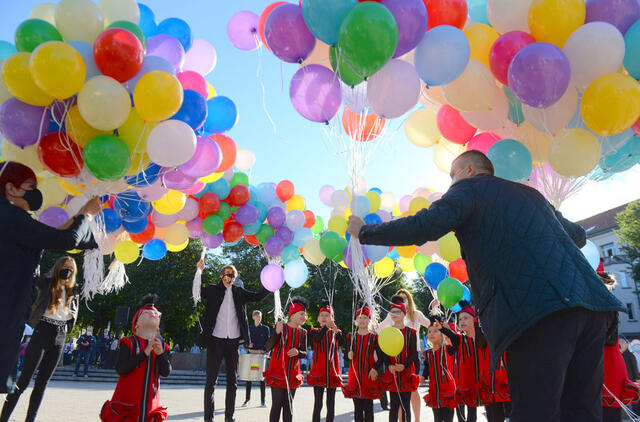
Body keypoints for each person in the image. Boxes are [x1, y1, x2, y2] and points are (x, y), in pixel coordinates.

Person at [347, 150, 624, 421]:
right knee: (582, 409)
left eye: (453, 175)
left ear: (469, 170)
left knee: (536, 410)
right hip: (591, 306)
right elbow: (577, 235)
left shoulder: (468, 189)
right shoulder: (531, 195)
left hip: (536, 311)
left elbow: (425, 225)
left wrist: (366, 232)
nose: (451, 182)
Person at [0, 161, 99, 393]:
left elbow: (49, 236)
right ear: (11, 188)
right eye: (30, 186)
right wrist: (87, 215)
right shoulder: (11, 217)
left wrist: (78, 217)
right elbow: (64, 240)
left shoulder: (10, 218)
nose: (35, 192)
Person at [1, 256, 81, 422]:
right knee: (24, 380)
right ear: (58, 267)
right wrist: (36, 254)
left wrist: (112, 265)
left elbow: (96, 284)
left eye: (71, 268)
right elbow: (34, 276)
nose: (68, 270)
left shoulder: (74, 290)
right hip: (43, 329)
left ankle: (30, 419)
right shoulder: (47, 283)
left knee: (42, 383)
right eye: (65, 267)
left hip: (61, 334)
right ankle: (4, 417)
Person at [196, 260, 269, 422]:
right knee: (211, 382)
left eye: (232, 274)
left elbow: (257, 296)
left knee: (232, 382)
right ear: (221, 275)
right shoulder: (213, 290)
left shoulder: (239, 292)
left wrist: (270, 284)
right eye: (227, 273)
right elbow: (197, 292)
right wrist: (199, 272)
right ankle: (208, 418)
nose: (229, 276)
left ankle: (229, 417)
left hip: (233, 341)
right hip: (215, 340)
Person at [100, 294, 171, 422]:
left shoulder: (163, 346)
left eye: (156, 313)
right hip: (127, 404)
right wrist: (145, 353)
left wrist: (160, 354)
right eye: (147, 312)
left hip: (150, 405)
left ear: (158, 326)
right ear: (136, 324)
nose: (153, 314)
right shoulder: (128, 342)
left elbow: (166, 372)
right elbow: (121, 369)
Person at [378, 289, 431, 421]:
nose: (394, 314)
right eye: (393, 311)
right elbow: (380, 336)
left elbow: (430, 325)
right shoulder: (389, 327)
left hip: (409, 363)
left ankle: (417, 419)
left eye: (404, 298)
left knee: (409, 397)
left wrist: (436, 313)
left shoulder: (414, 322)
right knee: (394, 404)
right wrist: (389, 365)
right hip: (393, 366)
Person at [264, 296, 308, 422]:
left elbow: (304, 353)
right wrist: (276, 333)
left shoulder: (303, 332)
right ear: (292, 315)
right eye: (301, 314)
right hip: (277, 372)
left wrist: (298, 352)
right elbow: (268, 346)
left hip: (293, 373)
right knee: (277, 404)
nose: (304, 317)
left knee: (289, 405)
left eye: (305, 314)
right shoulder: (281, 326)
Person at [342, 304, 382, 422]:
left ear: (369, 320)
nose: (362, 320)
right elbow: (346, 356)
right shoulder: (351, 337)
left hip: (369, 375)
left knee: (368, 408)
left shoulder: (374, 337)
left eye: (365, 317)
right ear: (356, 320)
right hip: (354, 376)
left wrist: (375, 368)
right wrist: (348, 355)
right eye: (359, 317)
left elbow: (381, 358)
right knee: (357, 409)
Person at [308, 302, 344, 422]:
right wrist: (325, 328)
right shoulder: (314, 331)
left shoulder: (336, 332)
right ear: (318, 319)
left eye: (327, 315)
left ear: (332, 318)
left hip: (332, 373)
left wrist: (336, 331)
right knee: (318, 404)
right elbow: (317, 339)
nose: (324, 317)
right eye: (322, 315)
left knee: (331, 404)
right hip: (318, 372)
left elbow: (344, 344)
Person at [422, 320, 459, 422]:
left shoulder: (448, 349)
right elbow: (427, 367)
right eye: (429, 332)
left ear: (442, 335)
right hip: (434, 392)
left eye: (435, 331)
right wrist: (423, 376)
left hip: (447, 391)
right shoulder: (428, 354)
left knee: (448, 419)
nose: (431, 334)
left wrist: (444, 329)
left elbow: (456, 340)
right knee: (437, 419)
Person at [243, 310, 270, 407]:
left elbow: (268, 343)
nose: (259, 318)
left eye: (260, 316)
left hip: (261, 355)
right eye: (257, 316)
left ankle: (263, 401)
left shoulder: (266, 328)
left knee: (262, 378)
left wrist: (264, 350)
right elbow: (245, 342)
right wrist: (248, 345)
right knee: (248, 378)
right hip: (251, 355)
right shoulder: (249, 328)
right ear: (253, 317)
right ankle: (247, 400)